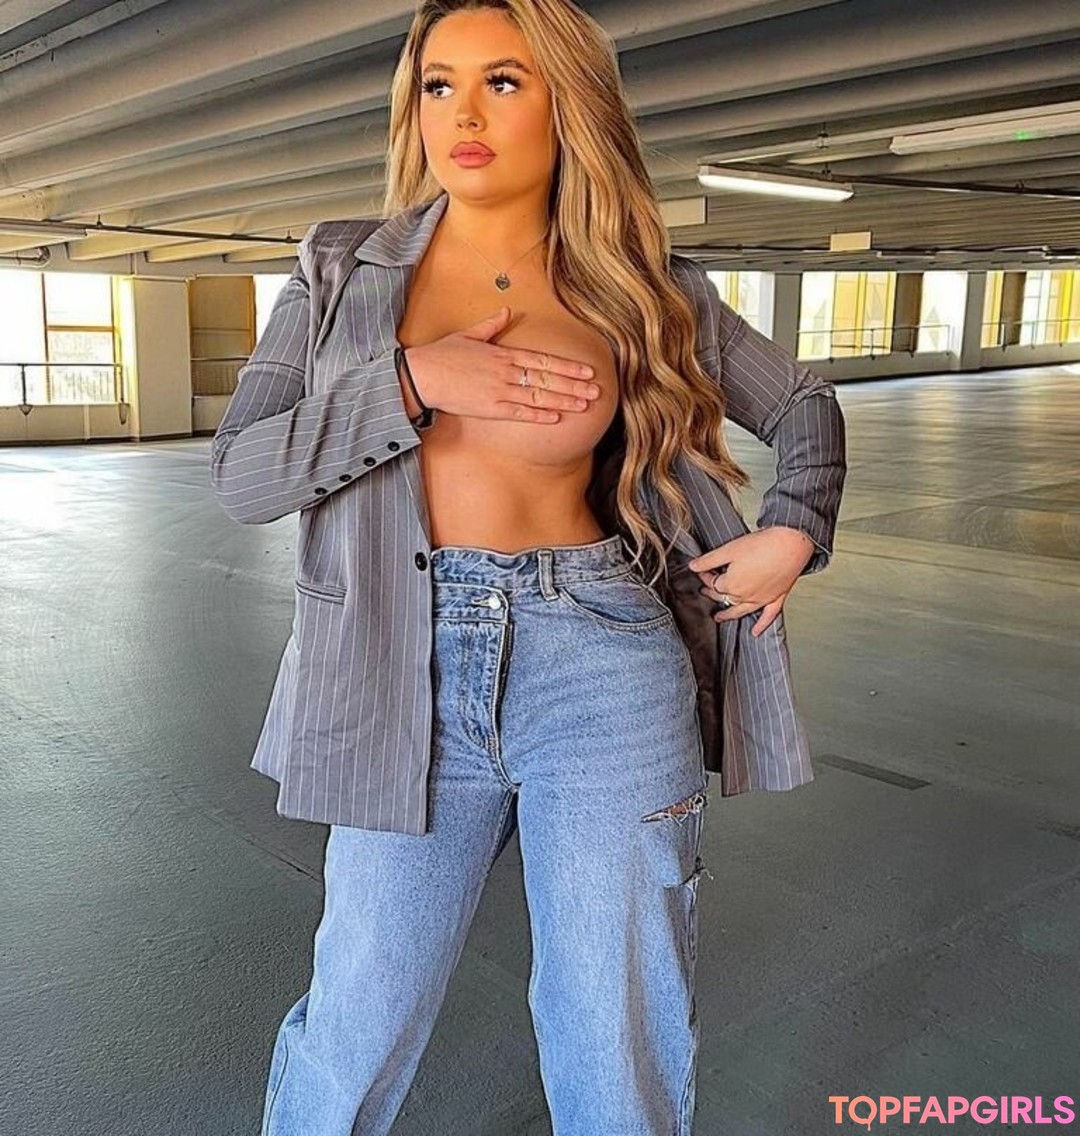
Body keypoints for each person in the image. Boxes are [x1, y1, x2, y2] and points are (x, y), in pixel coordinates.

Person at [209, 1, 847, 1133]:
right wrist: (414, 381)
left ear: (567, 104)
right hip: (398, 665)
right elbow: (245, 472)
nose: (463, 113)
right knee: (358, 1014)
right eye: (439, 84)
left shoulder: (644, 285)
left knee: (615, 1029)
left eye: (502, 82)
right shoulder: (340, 270)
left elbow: (804, 405)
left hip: (599, 659)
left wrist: (794, 528)